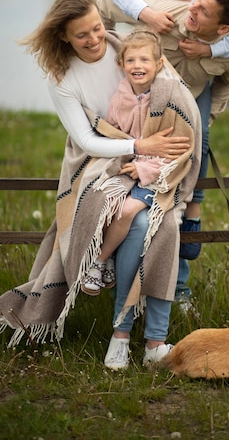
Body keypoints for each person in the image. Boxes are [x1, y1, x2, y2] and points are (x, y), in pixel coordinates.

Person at [0, 0, 201, 372]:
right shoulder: (62, 79)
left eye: (97, 28)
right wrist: (138, 144)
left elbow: (167, 89)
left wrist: (169, 137)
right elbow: (86, 139)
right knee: (133, 218)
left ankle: (134, 337)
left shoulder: (124, 48)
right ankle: (123, 329)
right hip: (100, 159)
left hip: (148, 159)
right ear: (64, 36)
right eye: (83, 35)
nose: (96, 39)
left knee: (152, 224)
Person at [97, 0, 229, 300]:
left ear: (224, 30)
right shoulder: (165, 11)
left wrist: (204, 121)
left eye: (204, 8)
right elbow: (104, 1)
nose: (194, 5)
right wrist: (105, 60)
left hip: (185, 124)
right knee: (132, 196)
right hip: (142, 117)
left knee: (176, 211)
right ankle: (112, 269)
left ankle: (176, 288)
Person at [81, 29, 172, 296]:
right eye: (131, 60)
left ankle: (99, 261)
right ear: (121, 64)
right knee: (106, 202)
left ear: (159, 64)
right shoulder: (119, 99)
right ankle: (108, 262)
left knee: (127, 209)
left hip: (159, 175)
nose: (137, 66)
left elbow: (175, 149)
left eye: (144, 60)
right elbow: (116, 135)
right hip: (129, 168)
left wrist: (144, 168)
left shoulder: (167, 99)